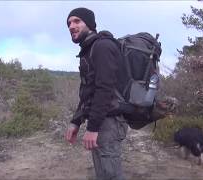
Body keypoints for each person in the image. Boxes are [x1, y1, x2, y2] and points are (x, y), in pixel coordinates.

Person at [65, 7, 129, 180]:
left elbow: (104, 89)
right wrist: (76, 121)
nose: (71, 26)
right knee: (103, 173)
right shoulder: (89, 49)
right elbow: (88, 90)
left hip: (109, 121)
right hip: (101, 119)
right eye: (69, 23)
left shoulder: (102, 46)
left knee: (110, 174)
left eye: (77, 21)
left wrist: (92, 128)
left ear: (90, 24)